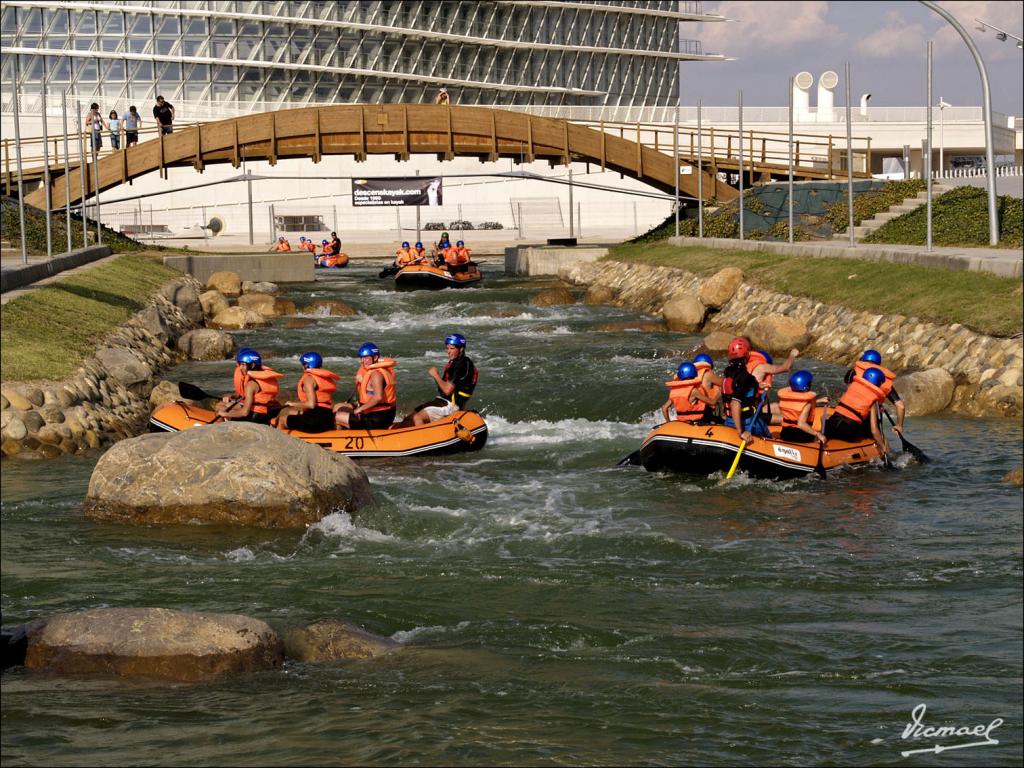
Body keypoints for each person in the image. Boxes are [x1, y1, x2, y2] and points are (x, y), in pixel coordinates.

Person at [395, 333, 478, 428]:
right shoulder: (459, 362)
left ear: (461, 349)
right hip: (443, 401)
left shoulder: (461, 365)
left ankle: (424, 440)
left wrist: (435, 375)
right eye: (448, 348)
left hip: (450, 406)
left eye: (452, 348)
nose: (448, 351)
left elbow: (447, 390)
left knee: (417, 417)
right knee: (409, 418)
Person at [825, 366, 889, 455]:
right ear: (878, 383)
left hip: (832, 426)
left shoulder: (851, 388)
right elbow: (874, 430)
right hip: (848, 433)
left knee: (824, 417)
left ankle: (822, 439)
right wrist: (883, 446)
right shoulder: (873, 399)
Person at [333, 342, 397, 429]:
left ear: (375, 357)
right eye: (362, 358)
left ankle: (340, 440)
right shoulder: (376, 371)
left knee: (336, 417)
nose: (363, 361)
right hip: (379, 414)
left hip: (376, 418)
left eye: (366, 357)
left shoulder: (376, 374)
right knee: (338, 407)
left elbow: (378, 397)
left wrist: (360, 409)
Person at [721, 337, 771, 442]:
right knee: (768, 436)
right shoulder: (744, 376)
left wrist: (758, 386)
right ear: (747, 355)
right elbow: (735, 403)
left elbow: (738, 387)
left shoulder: (727, 374)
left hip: (728, 421)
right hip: (746, 422)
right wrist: (741, 432)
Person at [275, 352, 341, 434]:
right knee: (292, 413)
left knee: (282, 419)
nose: (303, 367)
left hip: (314, 422)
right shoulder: (326, 378)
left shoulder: (309, 379)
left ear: (306, 365)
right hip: (328, 419)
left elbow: (311, 405)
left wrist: (293, 404)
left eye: (303, 364)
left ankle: (280, 444)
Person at [845, 349, 906, 437]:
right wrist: (899, 426)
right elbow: (900, 406)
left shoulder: (853, 372)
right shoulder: (884, 380)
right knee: (881, 438)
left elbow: (848, 391)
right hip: (871, 418)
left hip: (849, 413)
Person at [215, 349, 284, 425]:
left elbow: (244, 412)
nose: (240, 367)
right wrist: (233, 397)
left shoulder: (251, 384)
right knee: (223, 408)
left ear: (252, 365)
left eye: (243, 364)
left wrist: (225, 414)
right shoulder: (268, 378)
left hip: (256, 417)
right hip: (270, 413)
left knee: (220, 412)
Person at [777, 370, 827, 444]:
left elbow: (797, 407)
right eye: (810, 384)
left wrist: (818, 401)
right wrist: (817, 434)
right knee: (821, 438)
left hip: (785, 433)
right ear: (806, 386)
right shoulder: (807, 403)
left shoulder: (788, 397)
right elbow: (801, 424)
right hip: (801, 435)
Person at [692, 353, 723, 422]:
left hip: (694, 410)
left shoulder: (691, 375)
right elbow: (724, 383)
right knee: (720, 388)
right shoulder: (708, 374)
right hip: (707, 410)